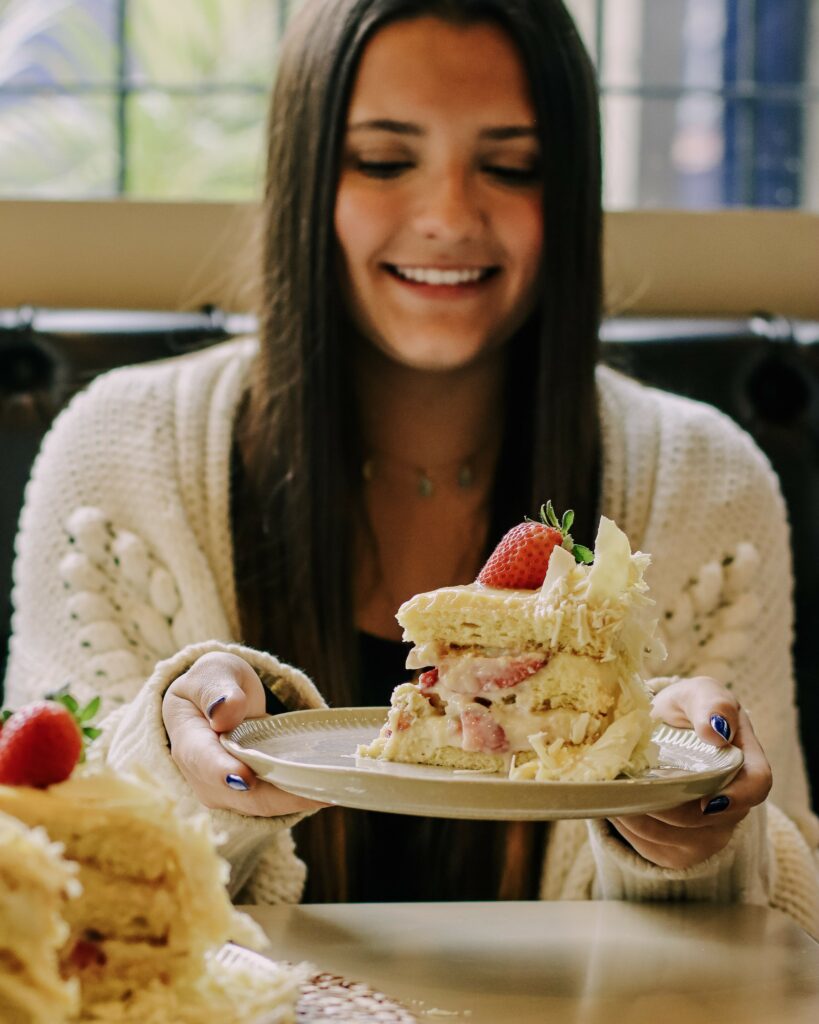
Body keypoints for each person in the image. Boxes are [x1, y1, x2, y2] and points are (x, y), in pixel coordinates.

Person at [5, 0, 818, 930]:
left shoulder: (708, 479)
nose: (447, 217)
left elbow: (785, 923)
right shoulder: (117, 454)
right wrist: (178, 767)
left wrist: (700, 842)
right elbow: (40, 867)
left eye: (511, 167)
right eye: (385, 161)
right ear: (306, 179)